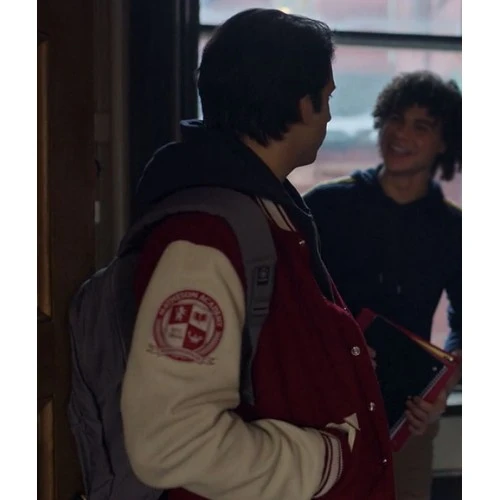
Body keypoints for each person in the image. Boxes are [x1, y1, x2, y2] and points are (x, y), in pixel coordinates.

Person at [121, 8, 396, 500]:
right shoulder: (204, 236)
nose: (329, 116)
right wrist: (328, 461)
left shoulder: (267, 211)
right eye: (327, 98)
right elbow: (170, 443)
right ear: (302, 103)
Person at [304, 70, 462, 500]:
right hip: (322, 404)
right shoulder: (325, 206)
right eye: (395, 119)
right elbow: (288, 298)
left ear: (444, 142)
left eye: (420, 126)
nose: (400, 134)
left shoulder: (454, 229)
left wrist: (440, 389)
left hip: (406, 417)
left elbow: (466, 323)